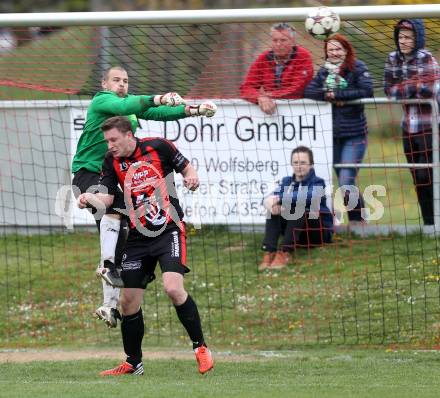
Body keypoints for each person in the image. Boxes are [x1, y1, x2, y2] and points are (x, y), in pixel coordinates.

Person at [72, 65, 217, 328]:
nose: (121, 84)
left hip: (110, 177)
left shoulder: (128, 109)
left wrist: (192, 110)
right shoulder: (102, 101)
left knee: (126, 235)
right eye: (116, 80)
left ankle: (109, 305)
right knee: (115, 214)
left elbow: (158, 112)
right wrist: (159, 97)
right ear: (104, 84)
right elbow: (145, 103)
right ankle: (106, 269)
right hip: (88, 174)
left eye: (125, 81)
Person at [77, 116, 214, 376]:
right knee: (128, 302)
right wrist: (89, 198)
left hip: (168, 229)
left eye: (114, 140)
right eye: (107, 141)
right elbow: (106, 198)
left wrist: (192, 178)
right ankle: (133, 363)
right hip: (138, 238)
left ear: (129, 135)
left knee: (173, 288)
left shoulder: (159, 146)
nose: (110, 145)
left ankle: (201, 348)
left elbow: (187, 169)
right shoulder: (111, 161)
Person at [304, 34, 373, 224]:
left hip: (355, 134)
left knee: (345, 181)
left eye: (338, 49)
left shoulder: (358, 67)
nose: (334, 53)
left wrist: (341, 94)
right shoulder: (324, 71)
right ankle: (352, 221)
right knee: (341, 182)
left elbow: (367, 90)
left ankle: (358, 222)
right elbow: (309, 91)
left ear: (346, 50)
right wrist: (330, 96)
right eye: (330, 50)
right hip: (332, 136)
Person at [384, 19, 439, 226]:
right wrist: (414, 84)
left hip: (430, 126)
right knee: (417, 177)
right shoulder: (392, 59)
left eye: (408, 37)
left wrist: (405, 87)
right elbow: (389, 91)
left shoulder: (428, 59)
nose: (403, 41)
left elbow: (429, 91)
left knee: (431, 174)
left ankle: (438, 221)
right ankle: (429, 224)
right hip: (408, 127)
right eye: (400, 37)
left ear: (418, 38)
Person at [259, 146, 333, 271]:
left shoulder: (318, 182)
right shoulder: (287, 181)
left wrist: (280, 198)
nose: (299, 166)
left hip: (316, 234)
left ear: (311, 164)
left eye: (303, 162)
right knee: (273, 209)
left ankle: (284, 252)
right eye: (296, 163)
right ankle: (269, 252)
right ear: (291, 164)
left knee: (298, 205)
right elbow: (269, 198)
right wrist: (268, 202)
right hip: (296, 234)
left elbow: (308, 196)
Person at [240, 22, 313, 115]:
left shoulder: (303, 56)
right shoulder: (264, 58)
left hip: (301, 112)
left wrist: (269, 96)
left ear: (292, 41)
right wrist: (259, 98)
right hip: (270, 113)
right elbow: (246, 87)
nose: (278, 44)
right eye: (275, 40)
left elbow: (297, 90)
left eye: (283, 40)